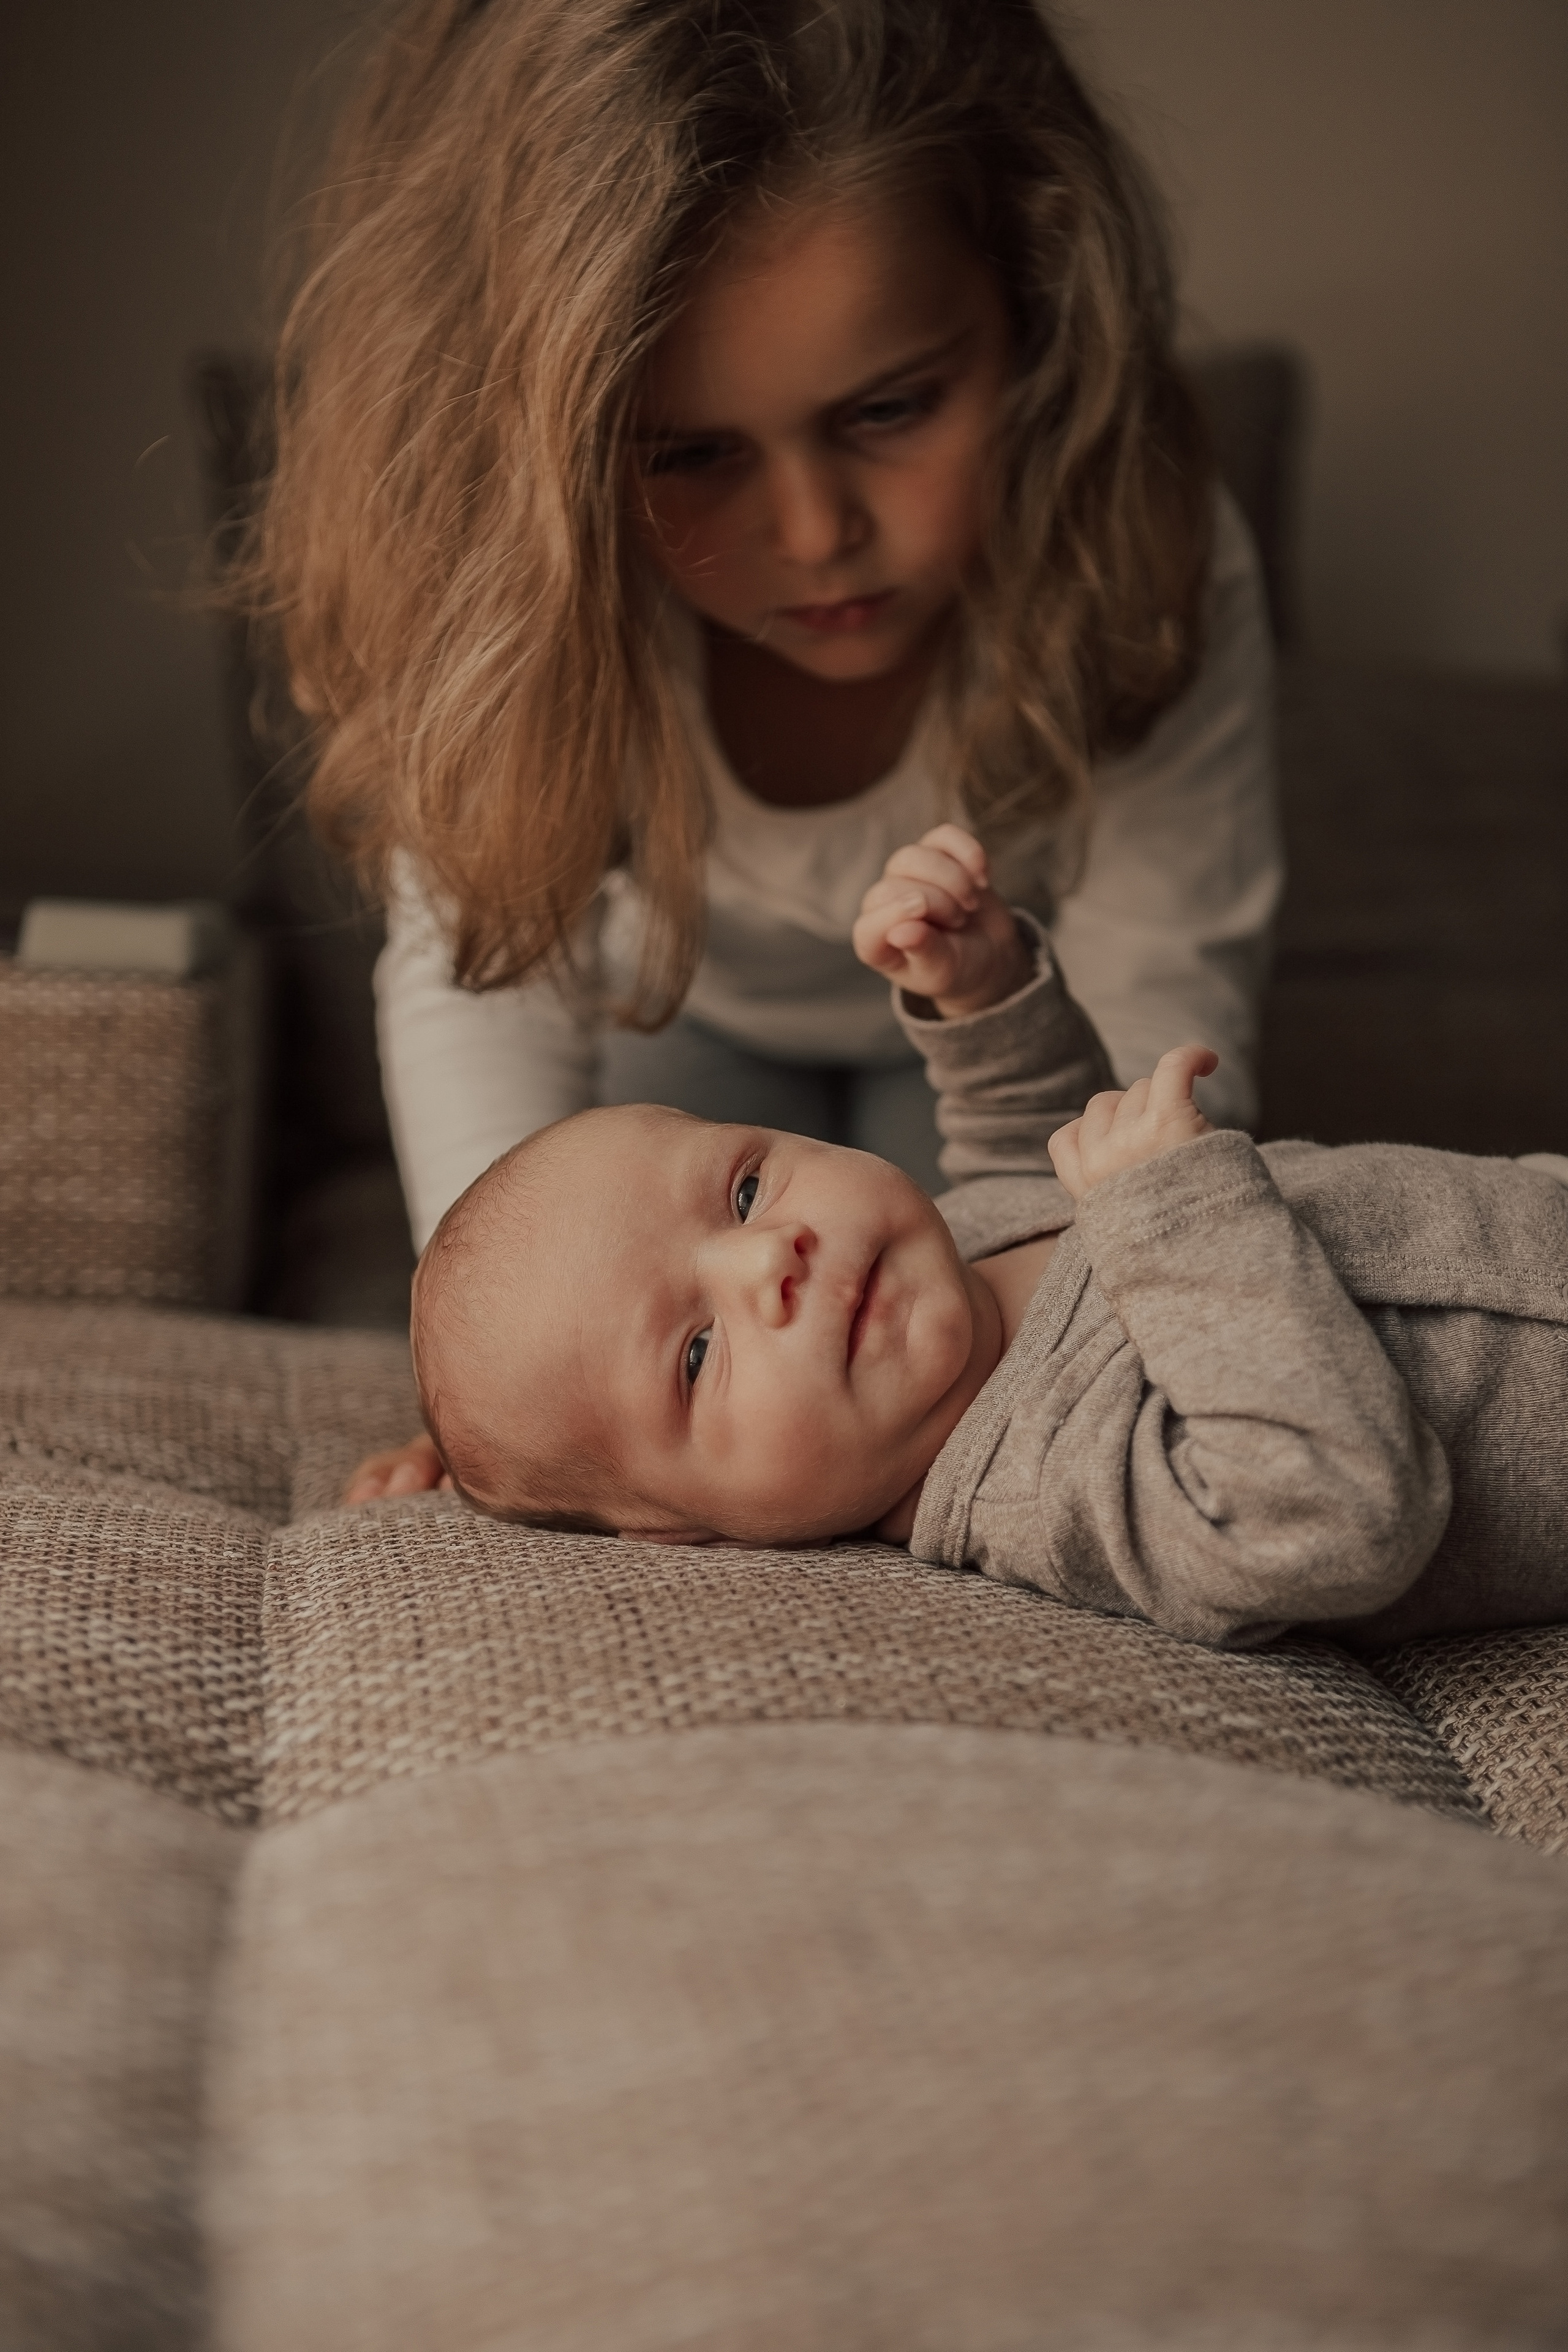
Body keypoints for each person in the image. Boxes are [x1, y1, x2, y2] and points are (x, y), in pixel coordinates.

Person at [255, 0, 1278, 1500]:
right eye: (688, 454)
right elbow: (481, 979)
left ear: (1035, 312)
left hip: (1020, 1045)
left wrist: (1140, 1305)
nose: (811, 536)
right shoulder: (528, 603)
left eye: (888, 409)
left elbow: (1165, 1009)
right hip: (680, 1048)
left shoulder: (1147, 565)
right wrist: (499, 1408)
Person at [411, 826, 1568, 1653]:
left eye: (750, 1187)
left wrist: (984, 998)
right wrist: (1172, 1214)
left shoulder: (960, 1243)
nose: (769, 1261)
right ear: (693, 1537)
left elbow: (1034, 1149)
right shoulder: (1037, 1483)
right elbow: (1334, 1519)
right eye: (697, 1355)